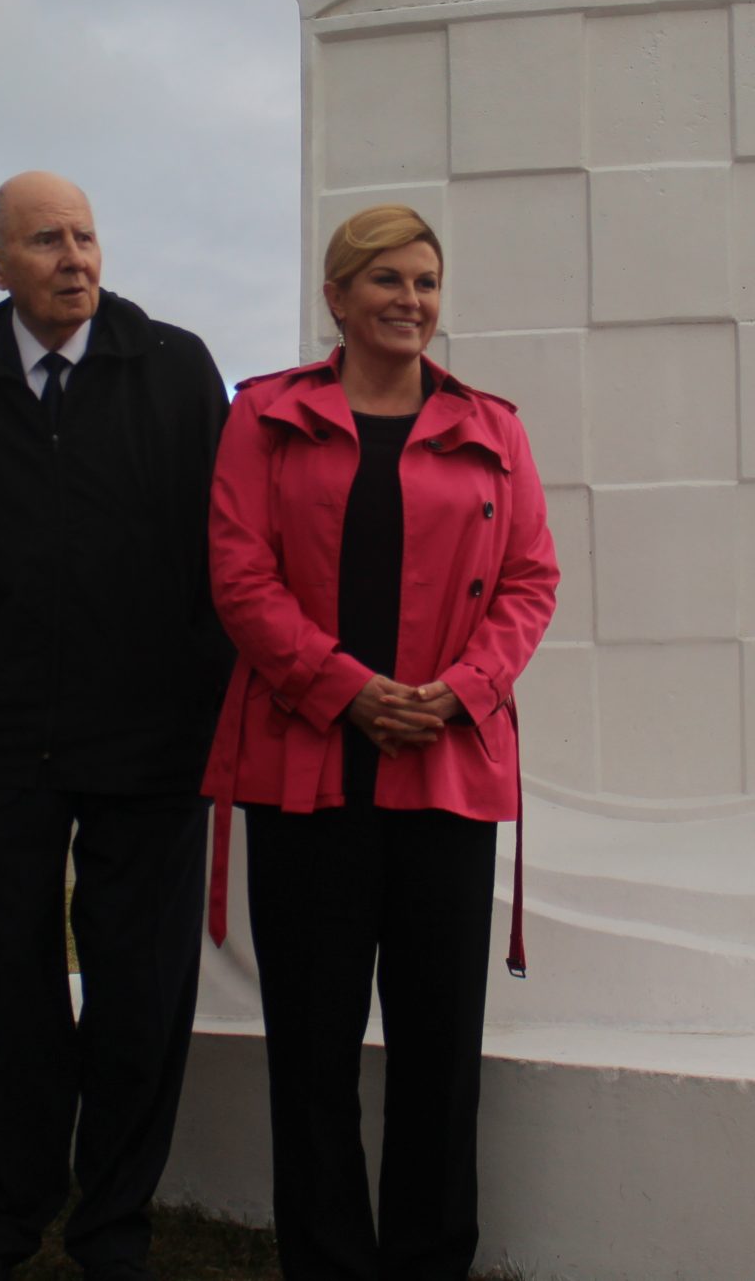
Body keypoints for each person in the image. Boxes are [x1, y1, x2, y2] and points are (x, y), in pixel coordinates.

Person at [0, 171, 231, 1281]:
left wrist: (203, 697)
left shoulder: (174, 367)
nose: (74, 258)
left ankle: (113, 1225)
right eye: (45, 241)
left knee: (140, 989)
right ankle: (0, 1216)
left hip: (151, 745)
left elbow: (226, 547)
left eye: (85, 235)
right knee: (1, 989)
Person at [202, 203, 560, 1281]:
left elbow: (530, 580)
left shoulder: (495, 429)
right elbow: (239, 574)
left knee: (439, 1052)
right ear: (337, 297)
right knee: (311, 1052)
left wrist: (460, 691)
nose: (411, 300)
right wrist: (346, 689)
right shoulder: (263, 417)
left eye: (426, 282)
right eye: (387, 280)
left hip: (445, 774)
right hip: (304, 772)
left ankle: (428, 1262)